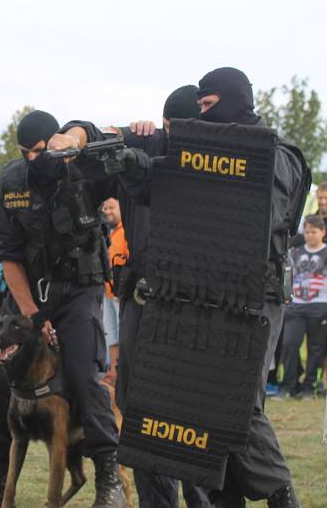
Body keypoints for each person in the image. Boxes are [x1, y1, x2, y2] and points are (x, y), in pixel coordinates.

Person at [121, 68, 308, 507]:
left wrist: (185, 170)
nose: (203, 116)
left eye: (208, 107)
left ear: (236, 101)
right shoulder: (204, 153)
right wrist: (136, 169)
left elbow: (255, 210)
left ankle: (284, 499)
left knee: (241, 406)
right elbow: (164, 189)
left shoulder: (278, 155)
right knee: (203, 409)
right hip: (212, 298)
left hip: (256, 296)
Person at [0, 110, 126, 508]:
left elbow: (114, 142)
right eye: (26, 153)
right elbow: (8, 256)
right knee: (0, 382)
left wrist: (76, 135)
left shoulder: (85, 169)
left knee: (83, 377)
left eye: (41, 151)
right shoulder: (10, 183)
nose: (34, 160)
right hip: (29, 295)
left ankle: (109, 479)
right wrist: (34, 317)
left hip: (80, 291)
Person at [107, 85, 213, 508]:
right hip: (143, 299)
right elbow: (101, 137)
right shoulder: (148, 145)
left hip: (193, 307)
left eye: (178, 127)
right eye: (167, 127)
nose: (171, 135)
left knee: (191, 415)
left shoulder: (217, 161)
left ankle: (200, 500)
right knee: (135, 409)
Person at [277, 214, 327, 399]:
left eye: (314, 232)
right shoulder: (295, 253)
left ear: (323, 232)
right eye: (307, 232)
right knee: (289, 344)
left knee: (316, 348)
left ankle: (309, 387)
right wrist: (286, 299)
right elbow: (287, 278)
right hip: (296, 307)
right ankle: (287, 386)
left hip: (320, 307)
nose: (310, 235)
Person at [101, 198, 127, 386]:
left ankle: (124, 371)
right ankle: (113, 372)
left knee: (123, 331)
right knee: (111, 333)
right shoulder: (107, 233)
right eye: (105, 208)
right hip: (107, 291)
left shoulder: (126, 232)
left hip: (122, 293)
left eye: (112, 207)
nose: (108, 211)